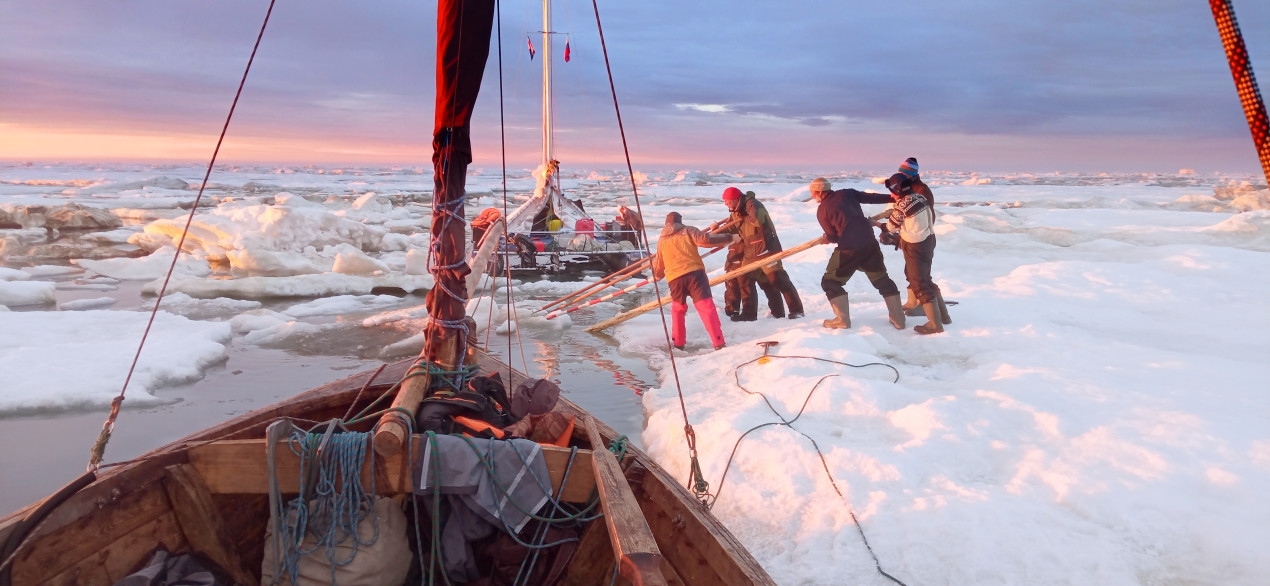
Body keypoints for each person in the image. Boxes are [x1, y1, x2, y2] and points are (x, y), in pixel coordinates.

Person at [809, 178, 906, 330]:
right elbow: (871, 198)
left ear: (819, 192)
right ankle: (899, 319)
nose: (812, 195)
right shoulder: (847, 193)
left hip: (849, 250)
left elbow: (834, 236)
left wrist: (826, 239)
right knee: (882, 279)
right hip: (869, 244)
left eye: (813, 192)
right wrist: (892, 198)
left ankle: (842, 320)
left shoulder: (822, 210)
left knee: (830, 283)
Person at [651, 212, 739, 350]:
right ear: (680, 222)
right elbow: (706, 240)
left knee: (678, 310)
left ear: (666, 224)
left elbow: (658, 265)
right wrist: (731, 237)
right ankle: (718, 343)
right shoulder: (688, 230)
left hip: (675, 279)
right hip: (694, 275)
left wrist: (656, 275)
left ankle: (678, 344)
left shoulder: (662, 241)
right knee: (706, 307)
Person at [719, 187, 804, 321]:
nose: (726, 204)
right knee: (744, 279)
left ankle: (796, 310)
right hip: (751, 253)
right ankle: (749, 314)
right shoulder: (735, 212)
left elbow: (758, 220)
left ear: (736, 200)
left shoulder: (753, 204)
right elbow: (730, 228)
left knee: (778, 280)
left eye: (728, 201)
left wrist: (744, 215)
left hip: (766, 249)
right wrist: (708, 237)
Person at [879, 173, 950, 334]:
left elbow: (891, 228)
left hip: (916, 246)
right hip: (929, 240)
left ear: (897, 189)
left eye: (892, 190)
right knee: (926, 279)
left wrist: (877, 225)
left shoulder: (903, 205)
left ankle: (935, 324)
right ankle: (944, 317)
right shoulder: (920, 197)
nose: (891, 194)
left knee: (919, 283)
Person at [896, 157, 938, 316]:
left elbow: (927, 216)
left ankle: (924, 305)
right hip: (910, 237)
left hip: (920, 239)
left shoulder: (922, 191)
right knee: (911, 272)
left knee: (920, 274)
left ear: (910, 174)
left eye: (902, 173)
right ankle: (913, 302)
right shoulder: (908, 189)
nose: (900, 175)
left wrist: (916, 234)